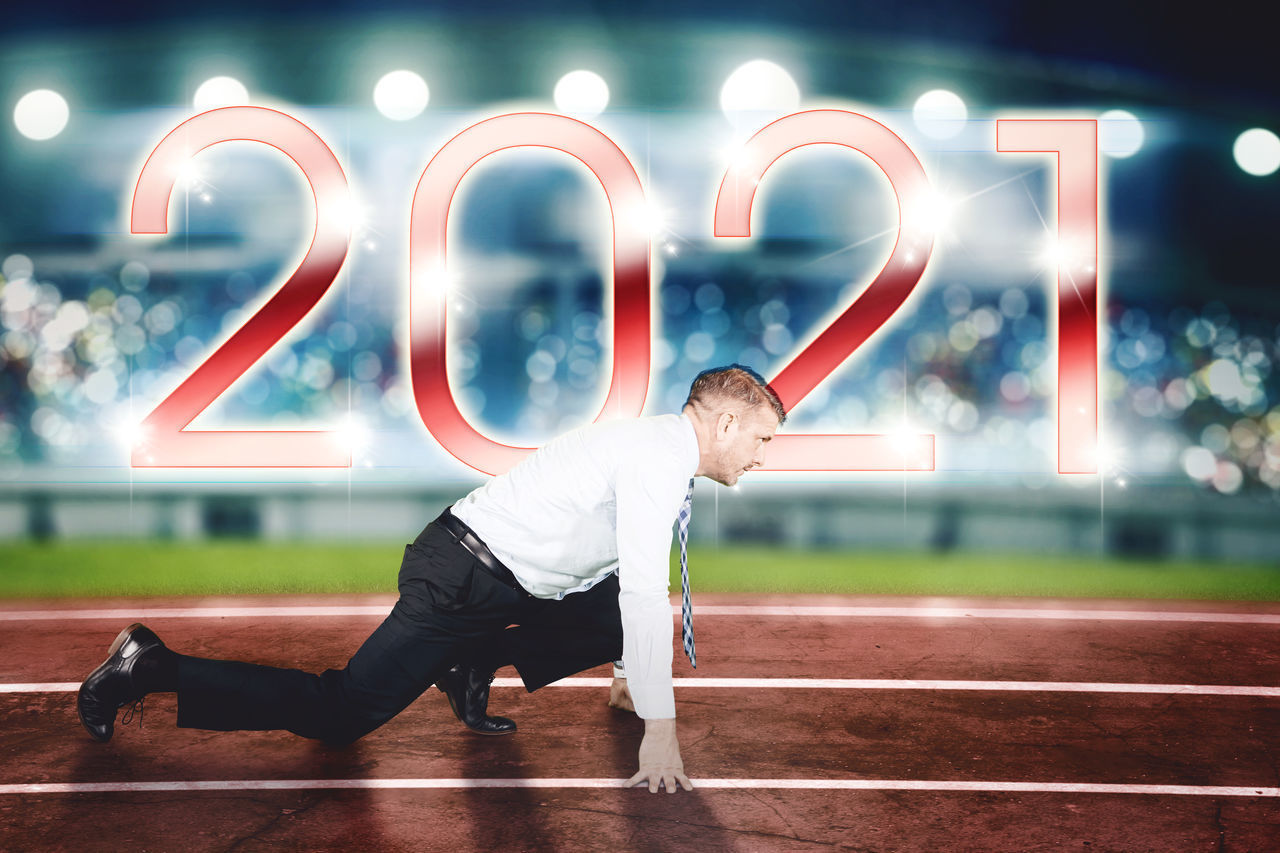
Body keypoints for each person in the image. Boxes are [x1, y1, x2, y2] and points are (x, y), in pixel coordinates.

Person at [77, 365, 785, 793]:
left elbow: (621, 587)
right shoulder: (657, 457)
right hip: (461, 577)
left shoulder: (659, 447)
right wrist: (658, 728)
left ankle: (472, 659)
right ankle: (150, 666)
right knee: (341, 713)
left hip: (507, 581)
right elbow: (639, 587)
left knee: (614, 613)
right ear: (724, 420)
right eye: (760, 439)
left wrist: (630, 668)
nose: (761, 458)